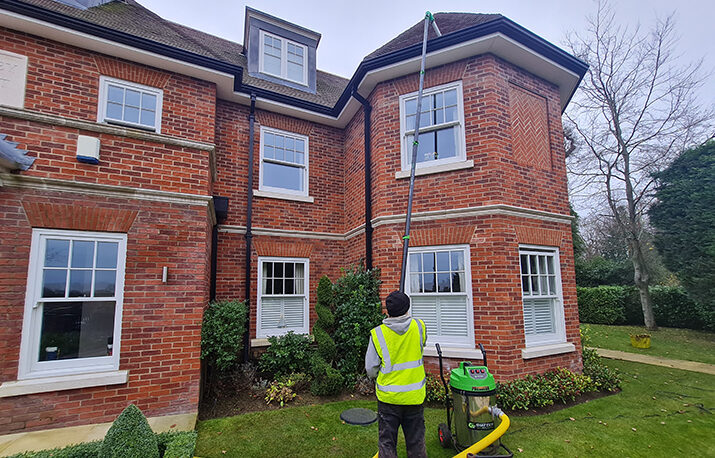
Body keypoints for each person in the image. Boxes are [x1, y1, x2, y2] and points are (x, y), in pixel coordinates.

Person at [365, 290, 427, 458]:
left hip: (388, 398)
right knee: (416, 441)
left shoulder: (378, 333)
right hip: (414, 396)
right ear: (407, 307)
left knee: (387, 442)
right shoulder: (419, 326)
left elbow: (371, 368)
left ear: (388, 310)